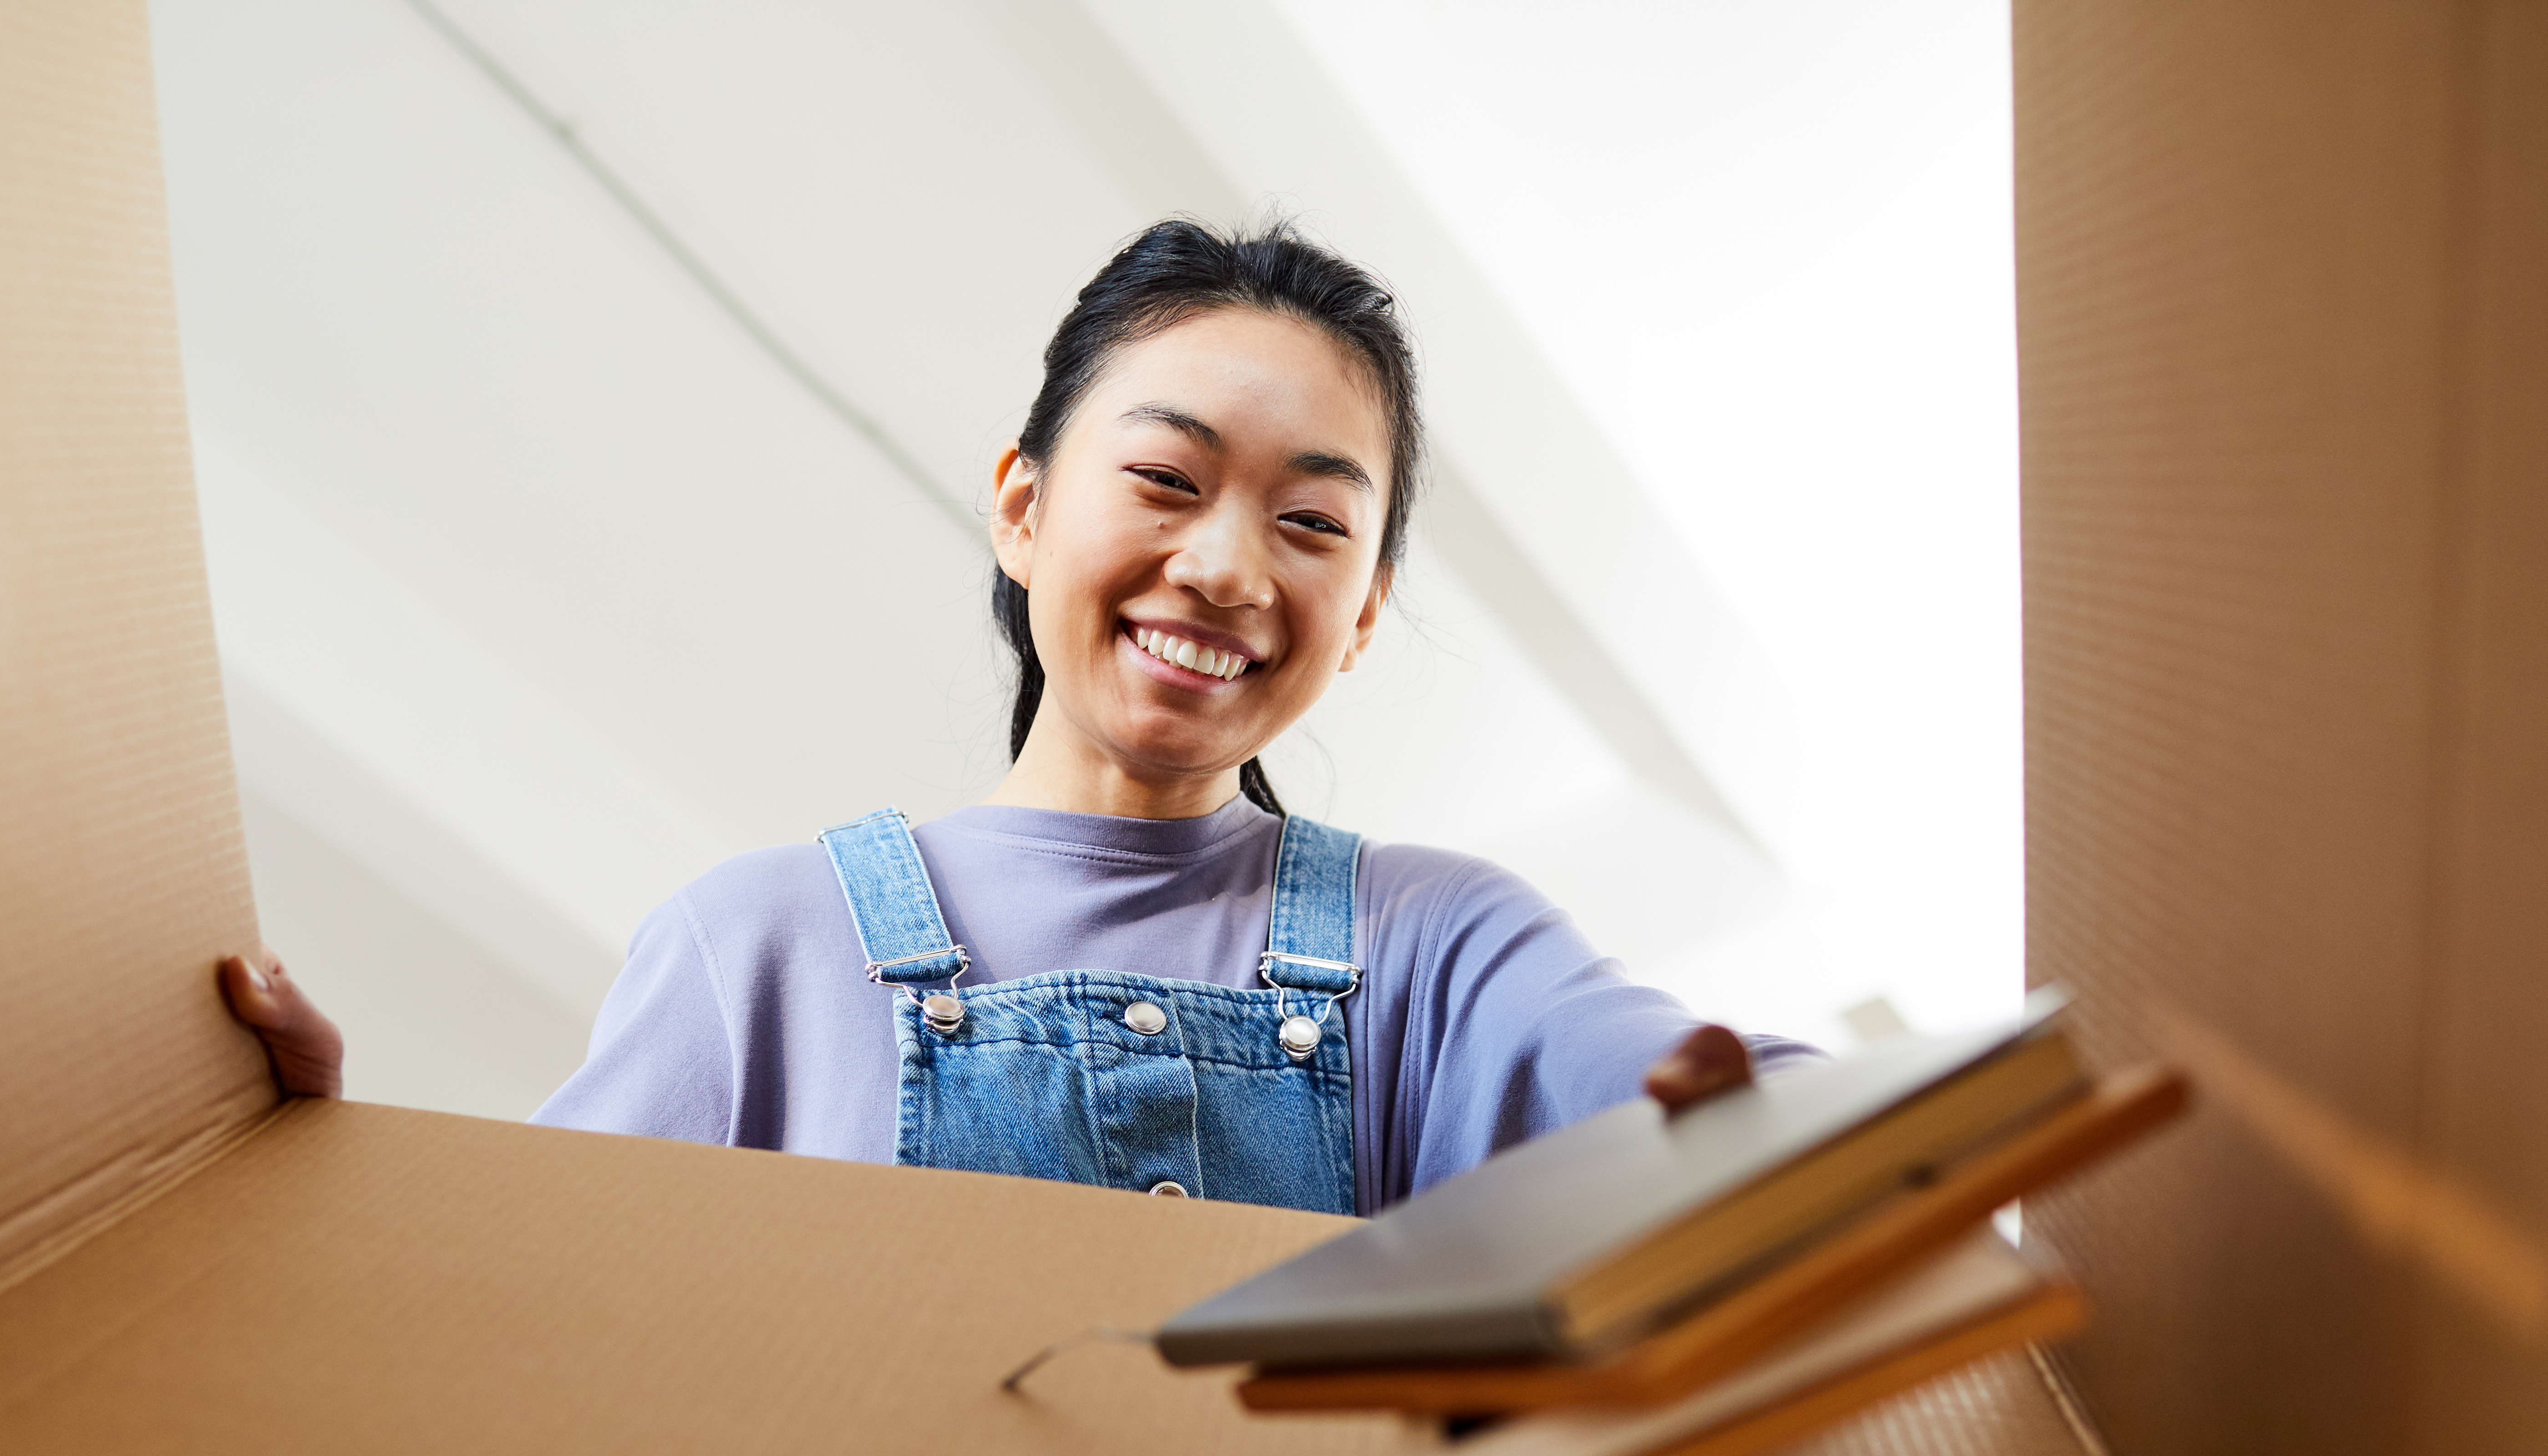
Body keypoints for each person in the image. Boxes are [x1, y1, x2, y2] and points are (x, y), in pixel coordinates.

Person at [222, 220, 1807, 1217]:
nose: (1226, 566)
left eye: (1315, 527)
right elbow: (521, 1331)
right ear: (1025, 508)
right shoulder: (757, 948)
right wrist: (309, 1174)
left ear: (1367, 615)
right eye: (1167, 480)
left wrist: (1801, 1125)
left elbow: (1693, 1089)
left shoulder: (1441, 951)